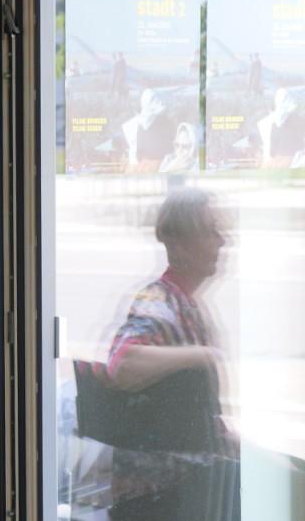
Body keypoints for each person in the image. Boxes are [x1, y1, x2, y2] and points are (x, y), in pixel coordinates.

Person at [103, 188, 238, 520]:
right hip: (161, 499)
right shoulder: (158, 302)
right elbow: (123, 364)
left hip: (182, 491)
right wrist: (203, 356)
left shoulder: (186, 305)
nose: (221, 241)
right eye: (210, 231)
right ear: (179, 245)